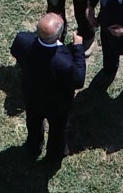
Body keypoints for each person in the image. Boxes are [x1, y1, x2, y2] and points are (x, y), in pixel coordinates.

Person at [10, 14, 87, 163]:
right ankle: (55, 154)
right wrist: (78, 47)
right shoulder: (64, 62)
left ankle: (34, 147)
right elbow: (78, 80)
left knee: (33, 122)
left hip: (32, 95)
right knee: (57, 130)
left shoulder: (22, 40)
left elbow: (15, 52)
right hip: (57, 104)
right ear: (59, 35)